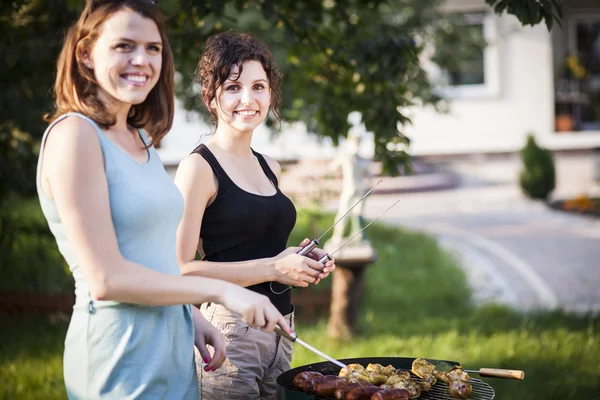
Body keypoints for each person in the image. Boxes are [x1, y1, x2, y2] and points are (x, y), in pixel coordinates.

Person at [37, 2, 290, 399]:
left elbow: (152, 257)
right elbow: (107, 279)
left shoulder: (140, 140)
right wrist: (223, 292)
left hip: (173, 349)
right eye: (124, 45)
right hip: (121, 357)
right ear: (86, 52)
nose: (142, 60)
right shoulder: (75, 134)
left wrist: (190, 316)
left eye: (153, 48)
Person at [174, 30, 336, 400]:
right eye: (233, 87)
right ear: (211, 97)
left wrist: (295, 259)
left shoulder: (270, 167)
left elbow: (261, 250)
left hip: (281, 328)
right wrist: (273, 268)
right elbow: (180, 268)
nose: (248, 99)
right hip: (230, 333)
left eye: (258, 86)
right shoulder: (199, 168)